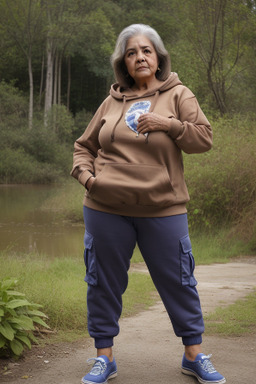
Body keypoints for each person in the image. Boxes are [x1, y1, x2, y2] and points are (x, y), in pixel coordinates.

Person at [71, 23, 226, 384]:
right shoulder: (111, 101)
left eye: (146, 51)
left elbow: (203, 139)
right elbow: (84, 147)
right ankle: (103, 357)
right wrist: (88, 179)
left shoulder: (178, 94)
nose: (139, 57)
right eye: (131, 52)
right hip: (105, 208)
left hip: (163, 207)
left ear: (158, 58)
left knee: (179, 281)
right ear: (123, 63)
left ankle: (194, 354)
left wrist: (168, 124)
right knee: (102, 281)